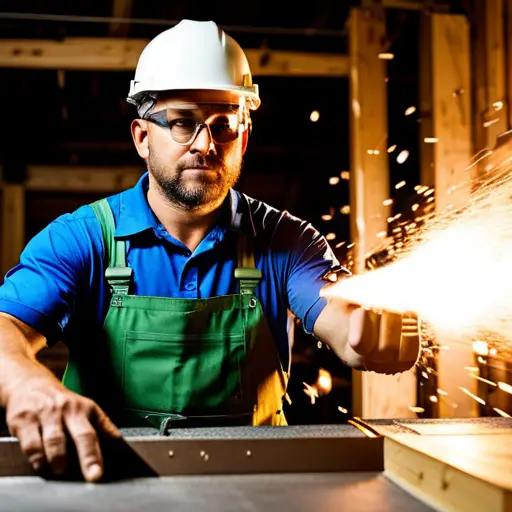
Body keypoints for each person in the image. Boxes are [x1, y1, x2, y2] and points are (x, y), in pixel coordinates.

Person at [0, 20, 419, 482]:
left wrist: (364, 336)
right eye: (182, 123)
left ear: (244, 137)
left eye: (223, 126)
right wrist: (25, 384)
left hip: (260, 485)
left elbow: (341, 317)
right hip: (112, 483)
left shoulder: (286, 240)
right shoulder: (81, 239)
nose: (205, 144)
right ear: (142, 136)